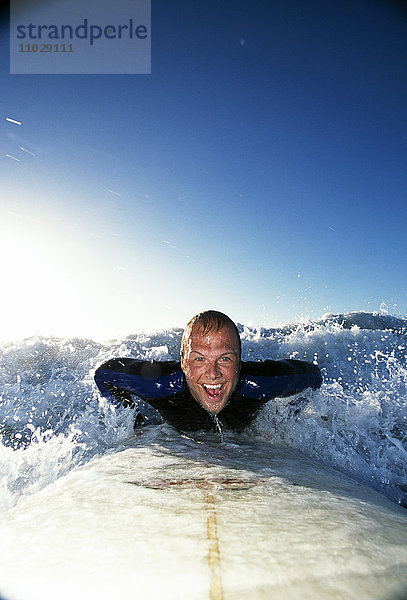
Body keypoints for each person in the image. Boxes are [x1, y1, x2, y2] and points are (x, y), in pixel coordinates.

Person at [94, 310, 322, 433]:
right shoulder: (159, 385)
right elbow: (104, 375)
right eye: (199, 359)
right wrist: (136, 425)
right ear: (183, 363)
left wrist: (282, 424)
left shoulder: (259, 383)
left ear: (240, 362)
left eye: (225, 358)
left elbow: (314, 377)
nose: (212, 373)